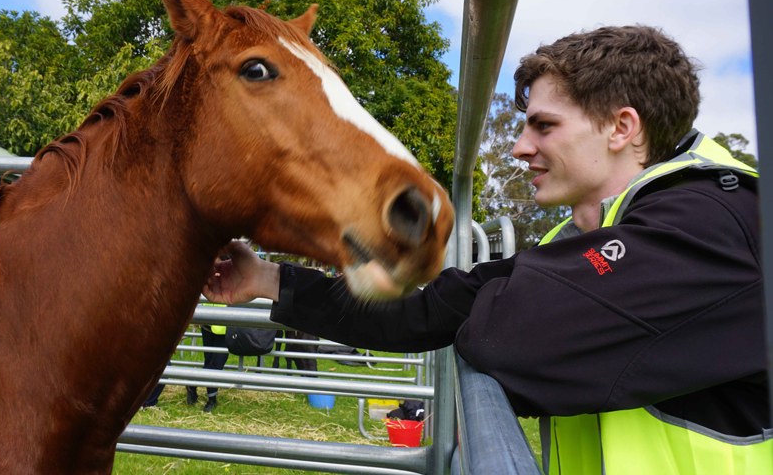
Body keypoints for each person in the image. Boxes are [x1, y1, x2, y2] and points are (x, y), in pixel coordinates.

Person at [204, 25, 770, 474]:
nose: (521, 147)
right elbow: (426, 314)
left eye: (543, 126)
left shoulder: (714, 219)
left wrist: (488, 308)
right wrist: (267, 280)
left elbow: (508, 340)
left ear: (621, 128)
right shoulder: (573, 241)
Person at [143, 320, 229, 413]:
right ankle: (212, 399)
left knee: (215, 364)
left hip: (224, 326)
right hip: (208, 324)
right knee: (213, 364)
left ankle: (193, 383)